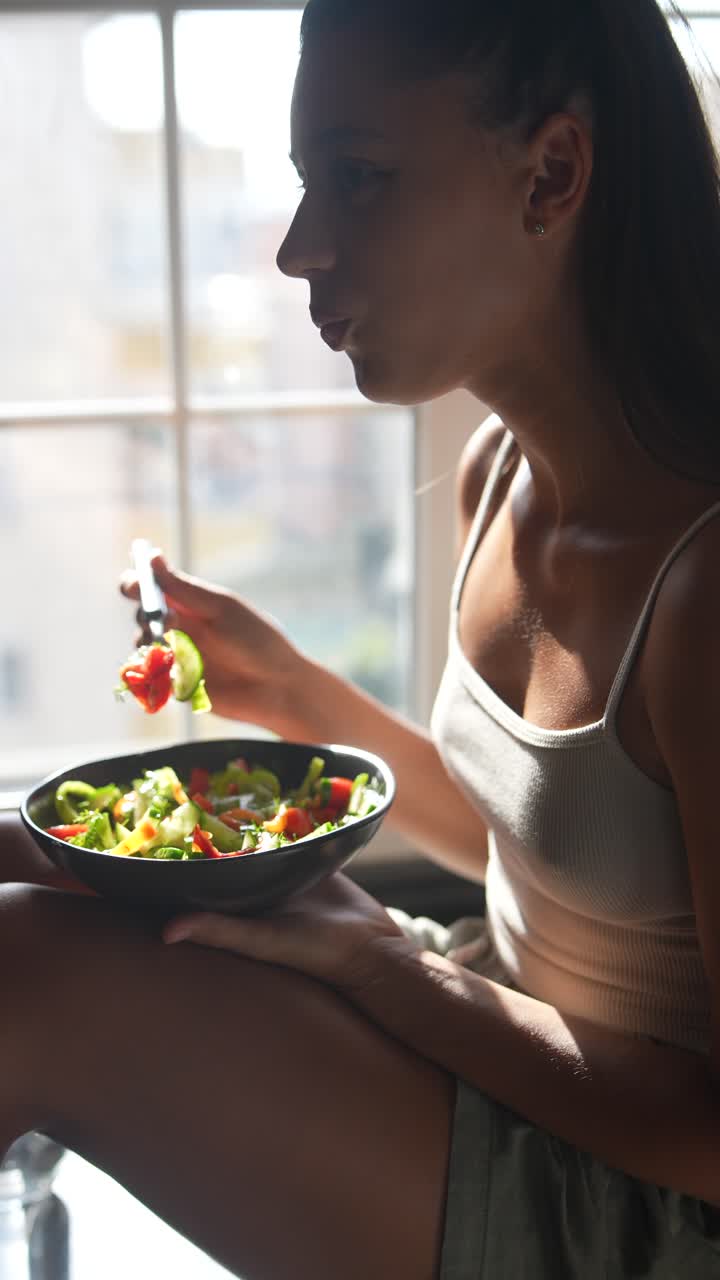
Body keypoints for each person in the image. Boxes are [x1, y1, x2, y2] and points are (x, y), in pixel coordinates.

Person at [4, 0, 720, 1274]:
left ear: (551, 172)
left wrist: (390, 968)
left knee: (22, 975)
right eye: (303, 181)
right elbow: (553, 846)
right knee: (35, 866)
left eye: (358, 177)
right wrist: (294, 690)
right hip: (503, 1016)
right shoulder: (501, 473)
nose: (296, 248)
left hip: (653, 1199)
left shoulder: (704, 590)